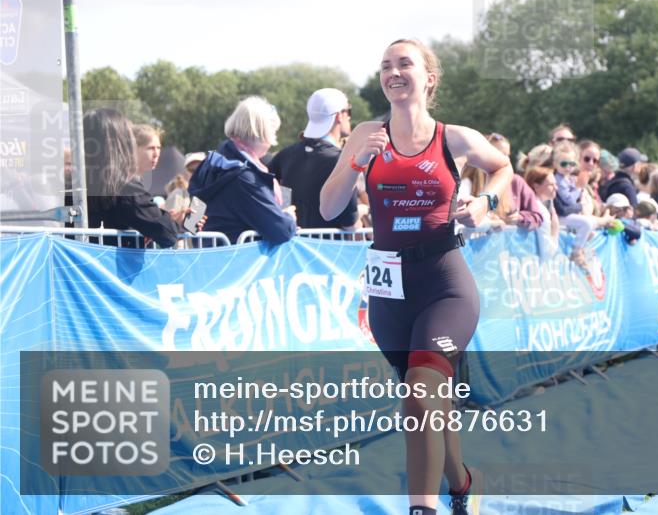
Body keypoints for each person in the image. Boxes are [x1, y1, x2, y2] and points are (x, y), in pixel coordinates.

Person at [318, 39, 512, 515]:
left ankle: (422, 508)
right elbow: (327, 207)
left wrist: (485, 203)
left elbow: (503, 167)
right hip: (389, 293)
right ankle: (464, 482)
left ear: (429, 78)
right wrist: (357, 160)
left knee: (424, 390)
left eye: (405, 63)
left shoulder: (455, 138)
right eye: (386, 66)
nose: (394, 72)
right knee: (424, 402)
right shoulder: (365, 132)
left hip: (444, 284)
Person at [189, 96, 298, 245]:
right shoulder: (244, 178)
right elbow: (281, 230)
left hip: (208, 256)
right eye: (274, 131)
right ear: (263, 133)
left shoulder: (211, 163)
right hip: (238, 261)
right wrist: (289, 217)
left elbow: (191, 223)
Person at [83, 109, 192, 248]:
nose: (156, 153)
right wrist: (178, 224)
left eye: (158, 148)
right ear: (120, 143)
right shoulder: (123, 186)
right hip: (116, 267)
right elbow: (166, 232)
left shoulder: (72, 184)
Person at [269, 88, 360, 229]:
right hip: (331, 248)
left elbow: (271, 192)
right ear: (339, 116)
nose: (349, 117)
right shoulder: (342, 160)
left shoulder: (285, 155)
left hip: (293, 246)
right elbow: (351, 225)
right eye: (349, 111)